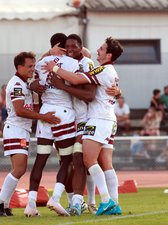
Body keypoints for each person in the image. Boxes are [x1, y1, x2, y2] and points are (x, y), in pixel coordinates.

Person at [43, 37, 123, 215]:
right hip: (108, 118)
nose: (98, 51)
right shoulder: (110, 70)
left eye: (102, 49)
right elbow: (83, 53)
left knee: (88, 160)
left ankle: (106, 201)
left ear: (109, 54)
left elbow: (77, 79)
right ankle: (114, 203)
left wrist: (54, 68)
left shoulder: (102, 69)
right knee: (105, 163)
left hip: (98, 118)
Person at [0, 52, 60, 217]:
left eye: (33, 66)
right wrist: (44, 117)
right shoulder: (16, 84)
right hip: (16, 129)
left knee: (17, 169)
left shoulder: (24, 83)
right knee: (20, 169)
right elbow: (20, 110)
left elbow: (29, 107)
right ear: (19, 67)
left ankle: (5, 205)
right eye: (29, 66)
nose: (32, 69)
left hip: (20, 130)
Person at [25, 33, 79, 217]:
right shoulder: (73, 63)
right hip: (63, 113)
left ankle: (30, 204)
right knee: (66, 160)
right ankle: (55, 198)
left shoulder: (41, 62)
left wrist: (49, 52)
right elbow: (78, 84)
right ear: (65, 45)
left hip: (44, 114)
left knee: (40, 160)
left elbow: (32, 82)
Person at [48, 34, 97, 215]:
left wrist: (63, 86)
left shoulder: (86, 64)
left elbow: (89, 94)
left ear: (81, 47)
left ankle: (84, 201)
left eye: (74, 46)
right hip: (68, 119)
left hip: (87, 118)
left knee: (80, 160)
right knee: (67, 161)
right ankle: (79, 201)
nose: (70, 49)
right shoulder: (63, 63)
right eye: (66, 47)